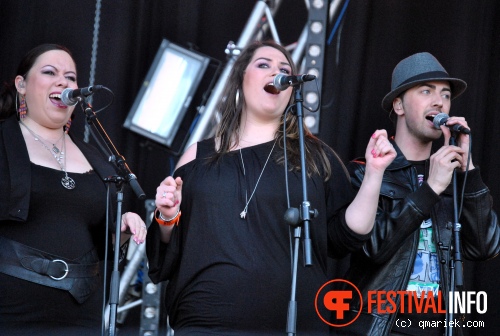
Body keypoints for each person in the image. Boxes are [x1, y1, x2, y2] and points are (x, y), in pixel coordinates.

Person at [146, 40, 396, 335]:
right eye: (263, 65)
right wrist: (165, 216)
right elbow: (168, 246)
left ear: (291, 89)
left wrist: (374, 174)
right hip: (206, 321)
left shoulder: (313, 156)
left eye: (284, 70)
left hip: (293, 324)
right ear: (240, 78)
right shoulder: (198, 156)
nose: (275, 72)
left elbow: (346, 236)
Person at [339, 52, 500, 335]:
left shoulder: (450, 173)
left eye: (446, 94)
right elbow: (372, 249)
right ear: (398, 105)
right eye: (426, 91)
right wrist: (431, 189)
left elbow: (485, 247)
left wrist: (468, 171)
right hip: (381, 327)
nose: (440, 102)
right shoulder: (366, 172)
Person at [0, 43, 147, 335]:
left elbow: (99, 242)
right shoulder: (4, 142)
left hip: (82, 316)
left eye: (70, 77)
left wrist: (122, 231)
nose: (63, 82)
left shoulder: (96, 157)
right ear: (22, 85)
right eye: (50, 72)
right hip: (12, 313)